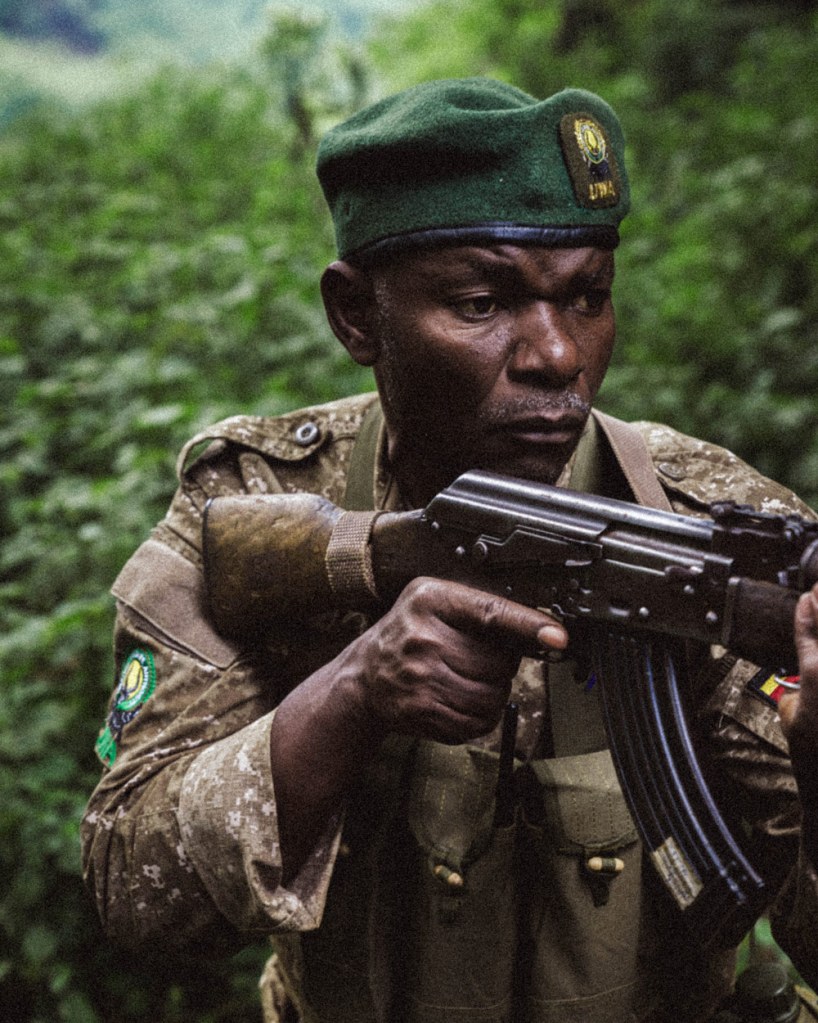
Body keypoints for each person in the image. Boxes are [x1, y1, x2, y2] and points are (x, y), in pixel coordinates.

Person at [82, 78, 818, 1023]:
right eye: (482, 301)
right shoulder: (259, 501)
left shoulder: (713, 525)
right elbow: (132, 890)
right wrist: (353, 693)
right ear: (356, 317)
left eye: (589, 295)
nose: (557, 355)